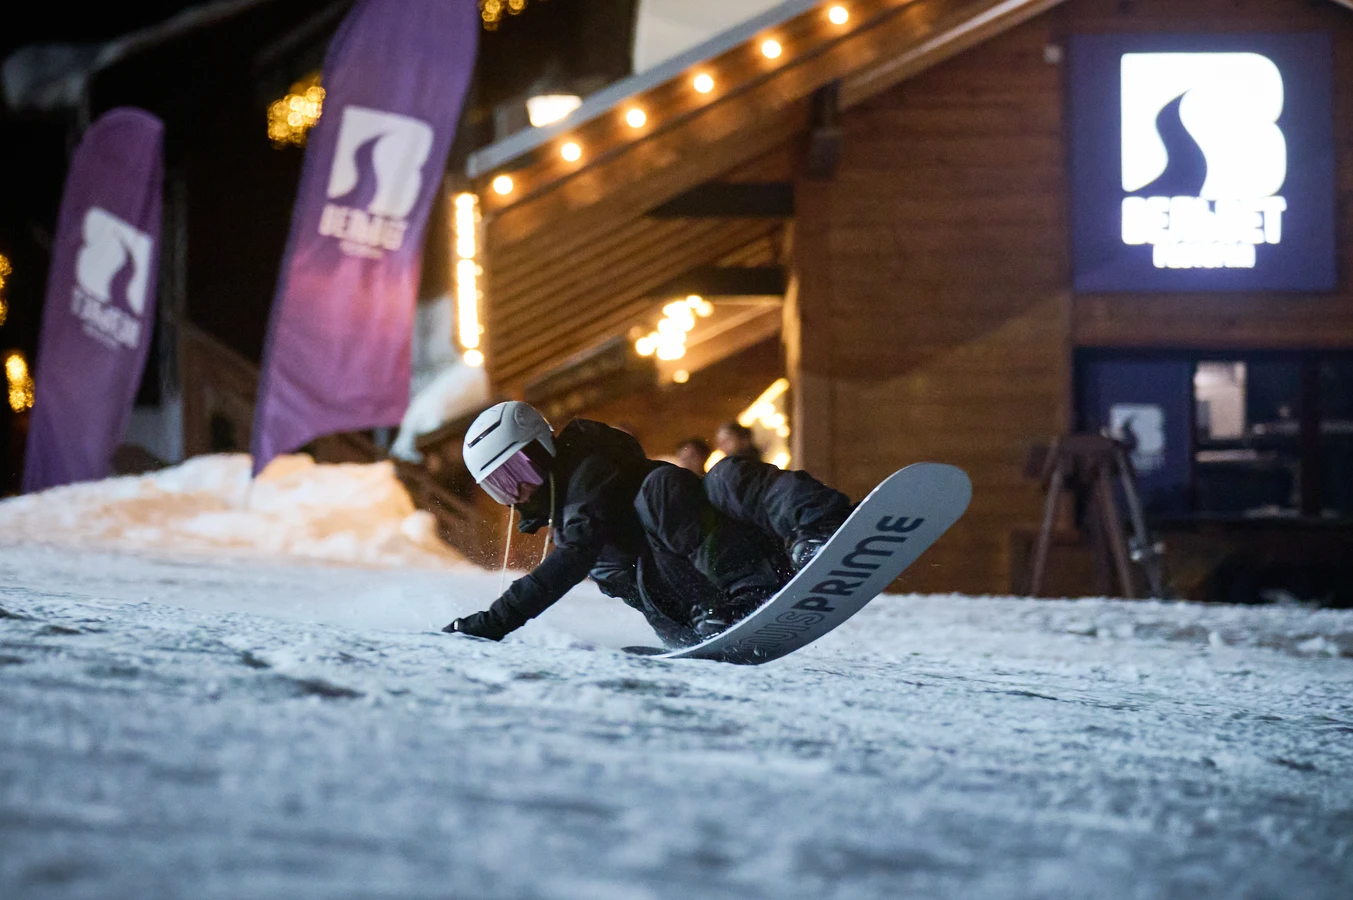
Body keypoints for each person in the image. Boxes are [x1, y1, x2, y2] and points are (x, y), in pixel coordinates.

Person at [443, 401, 852, 647]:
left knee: (724, 477)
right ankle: (728, 602)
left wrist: (494, 622)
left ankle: (820, 526)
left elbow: (574, 553)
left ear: (544, 449)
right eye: (501, 485)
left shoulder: (590, 471)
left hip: (749, 567)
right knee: (654, 505)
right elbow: (577, 551)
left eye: (520, 471)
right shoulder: (571, 527)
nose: (518, 491)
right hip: (698, 610)